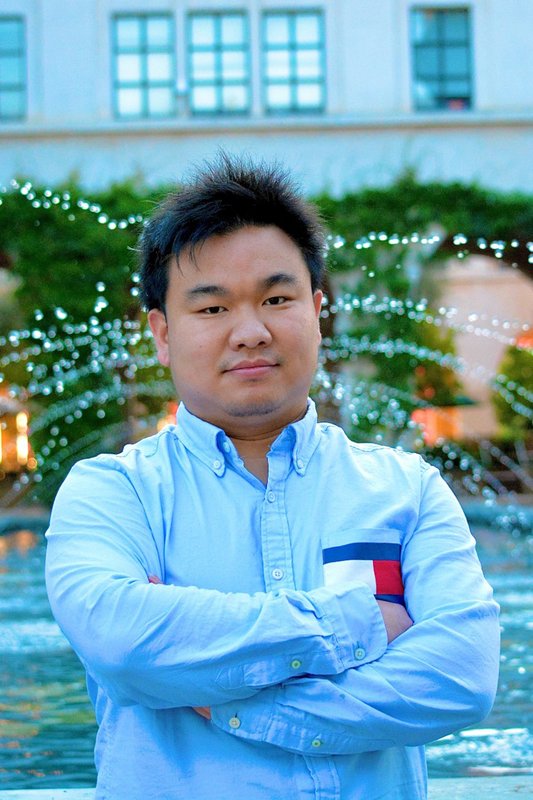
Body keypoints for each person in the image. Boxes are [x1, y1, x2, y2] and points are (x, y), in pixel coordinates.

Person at [45, 154, 500, 800]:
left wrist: (241, 706)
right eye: (211, 309)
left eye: (277, 298)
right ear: (161, 334)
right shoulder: (112, 494)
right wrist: (359, 624)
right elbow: (122, 641)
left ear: (316, 310)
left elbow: (461, 677)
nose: (251, 331)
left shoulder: (407, 490)